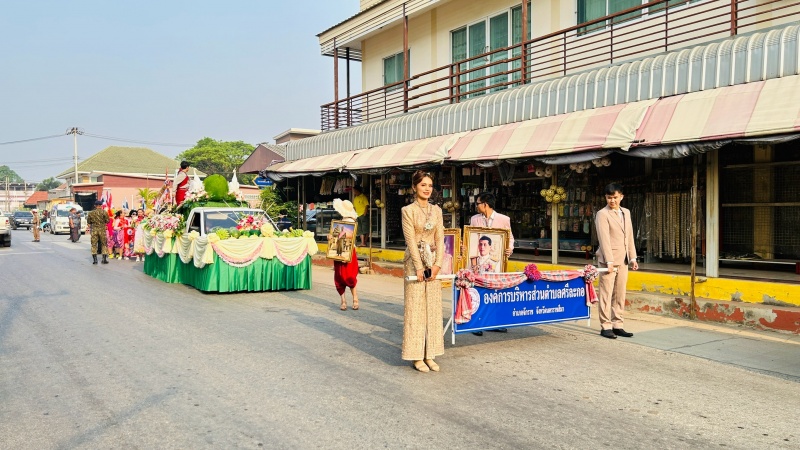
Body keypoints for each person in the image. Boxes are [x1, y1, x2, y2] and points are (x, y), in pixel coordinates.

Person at [401, 170, 445, 373]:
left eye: (430, 185)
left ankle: (430, 354)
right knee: (416, 309)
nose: (427, 189)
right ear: (414, 187)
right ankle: (416, 356)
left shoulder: (437, 211)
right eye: (423, 185)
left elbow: (440, 238)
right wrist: (419, 267)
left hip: (432, 261)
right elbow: (410, 240)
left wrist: (438, 264)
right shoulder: (408, 210)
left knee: (433, 309)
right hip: (414, 262)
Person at [595, 183, 639, 339]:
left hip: (624, 259)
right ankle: (606, 326)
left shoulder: (626, 212)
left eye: (615, 197)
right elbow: (604, 239)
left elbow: (629, 236)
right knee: (606, 294)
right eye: (609, 198)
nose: (612, 201)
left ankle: (618, 324)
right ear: (605, 198)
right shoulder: (602, 214)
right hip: (609, 260)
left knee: (620, 294)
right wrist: (609, 261)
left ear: (621, 197)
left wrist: (632, 257)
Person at [468, 192, 515, 336]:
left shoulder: (503, 219)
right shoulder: (475, 219)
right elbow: (471, 238)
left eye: (478, 203)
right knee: (477, 291)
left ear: (485, 204)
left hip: (495, 263)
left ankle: (494, 323)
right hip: (478, 263)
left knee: (494, 292)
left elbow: (510, 238)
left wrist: (509, 249)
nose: (476, 206)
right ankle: (476, 323)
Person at [331, 199, 360, 311]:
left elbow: (347, 238)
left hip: (346, 251)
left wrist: (334, 237)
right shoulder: (345, 221)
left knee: (344, 276)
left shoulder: (350, 222)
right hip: (342, 250)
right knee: (346, 276)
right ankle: (352, 299)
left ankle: (347, 300)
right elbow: (338, 236)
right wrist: (332, 237)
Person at [87, 200, 110, 264]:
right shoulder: (104, 212)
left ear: (95, 205)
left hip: (94, 230)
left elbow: (89, 222)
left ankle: (95, 260)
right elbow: (108, 221)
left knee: (94, 244)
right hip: (102, 230)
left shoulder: (91, 213)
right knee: (104, 244)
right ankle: (104, 259)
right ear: (101, 205)